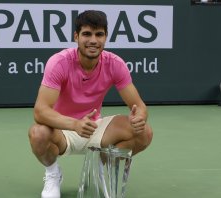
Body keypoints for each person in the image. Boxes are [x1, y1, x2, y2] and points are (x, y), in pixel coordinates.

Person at [28, 10, 153, 198]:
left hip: (95, 127)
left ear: (105, 37)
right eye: (87, 34)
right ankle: (53, 174)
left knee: (144, 133)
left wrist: (139, 118)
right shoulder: (59, 63)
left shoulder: (115, 64)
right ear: (76, 36)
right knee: (38, 133)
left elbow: (139, 106)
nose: (93, 40)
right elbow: (40, 112)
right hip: (62, 130)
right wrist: (74, 124)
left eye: (99, 34)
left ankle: (102, 166)